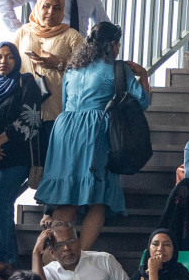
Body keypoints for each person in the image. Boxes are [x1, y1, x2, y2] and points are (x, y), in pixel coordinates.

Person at [35, 22, 150, 251]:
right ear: (113, 44)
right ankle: (80, 255)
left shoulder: (73, 67)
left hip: (65, 129)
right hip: (94, 131)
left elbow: (66, 101)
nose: (118, 49)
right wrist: (143, 75)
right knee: (98, 197)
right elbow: (143, 101)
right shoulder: (116, 67)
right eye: (117, 44)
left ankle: (49, 258)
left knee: (68, 195)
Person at [0, 40, 47, 280]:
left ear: (17, 60)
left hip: (19, 156)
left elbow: (31, 117)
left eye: (9, 57)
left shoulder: (26, 82)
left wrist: (0, 140)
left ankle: (5, 258)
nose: (3, 61)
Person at [13, 0, 82, 149]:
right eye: (46, 6)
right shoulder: (23, 32)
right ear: (38, 6)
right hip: (24, 108)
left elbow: (85, 72)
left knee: (52, 160)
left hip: (57, 111)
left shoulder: (71, 36)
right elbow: (8, 61)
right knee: (25, 161)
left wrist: (59, 64)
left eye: (57, 8)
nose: (51, 12)